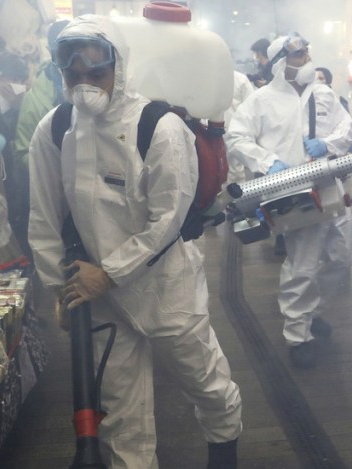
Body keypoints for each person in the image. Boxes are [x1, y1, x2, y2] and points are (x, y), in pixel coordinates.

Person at [27, 16, 242, 468]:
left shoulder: (158, 128)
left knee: (206, 384)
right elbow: (43, 216)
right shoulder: (54, 128)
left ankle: (224, 449)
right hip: (98, 298)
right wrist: (59, 289)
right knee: (120, 416)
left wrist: (109, 273)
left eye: (95, 63)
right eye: (71, 65)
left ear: (118, 64)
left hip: (165, 291)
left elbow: (168, 219)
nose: (83, 75)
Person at [226, 33, 352, 368]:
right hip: (292, 195)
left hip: (328, 186)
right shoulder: (261, 100)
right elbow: (236, 137)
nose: (306, 58)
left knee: (342, 256)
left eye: (307, 52)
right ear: (281, 62)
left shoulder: (323, 94)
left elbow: (346, 128)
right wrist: (267, 162)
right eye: (299, 55)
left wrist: (328, 145)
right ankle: (298, 335)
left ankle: (311, 312)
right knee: (302, 265)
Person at [10, 19, 70, 257]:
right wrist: (56, 168)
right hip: (54, 199)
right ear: (51, 50)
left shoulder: (97, 85)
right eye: (63, 49)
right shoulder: (36, 100)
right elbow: (22, 152)